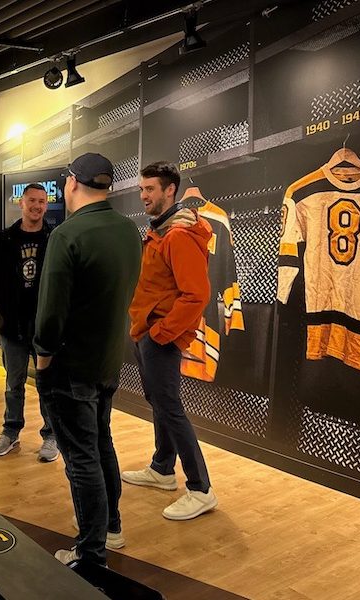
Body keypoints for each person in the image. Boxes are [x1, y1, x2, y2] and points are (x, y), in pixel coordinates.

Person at [33, 153, 141, 566]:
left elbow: (51, 314)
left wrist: (43, 362)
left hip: (70, 366)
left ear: (71, 183)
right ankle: (111, 527)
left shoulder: (67, 235)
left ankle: (91, 553)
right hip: (108, 361)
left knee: (81, 460)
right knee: (101, 444)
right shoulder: (129, 230)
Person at [123, 161, 218, 521]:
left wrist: (161, 334)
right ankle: (163, 468)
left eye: (150, 189)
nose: (143, 195)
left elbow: (197, 295)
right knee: (160, 403)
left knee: (171, 408)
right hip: (148, 332)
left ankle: (201, 488)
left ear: (169, 191)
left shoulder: (178, 236)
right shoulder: (160, 231)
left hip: (160, 335)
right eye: (142, 189)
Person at [0, 183, 58, 462]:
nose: (37, 206)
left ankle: (51, 436)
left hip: (45, 329)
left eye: (42, 201)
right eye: (32, 201)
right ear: (21, 203)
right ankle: (11, 431)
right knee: (14, 384)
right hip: (13, 329)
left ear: (46, 205)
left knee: (47, 384)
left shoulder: (55, 238)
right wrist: (6, 310)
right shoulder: (5, 240)